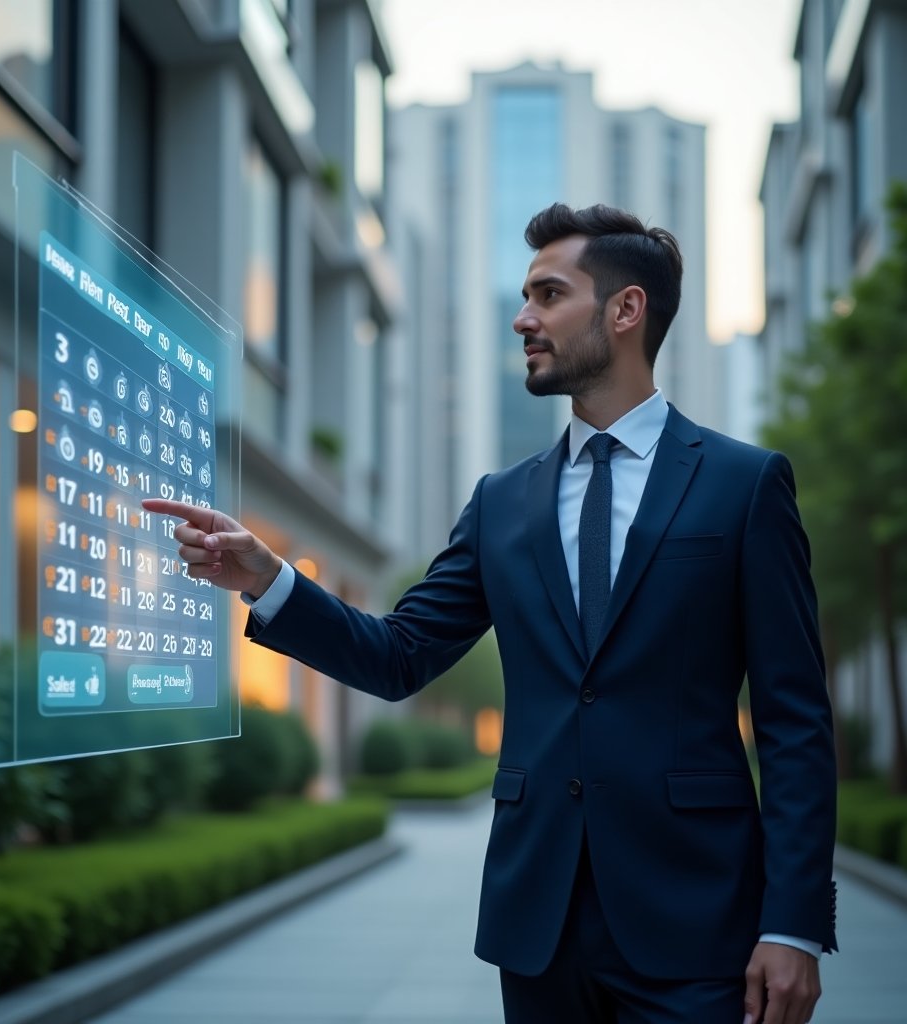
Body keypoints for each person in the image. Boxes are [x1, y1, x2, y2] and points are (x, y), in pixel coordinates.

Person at [143, 203, 837, 1024]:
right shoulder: (502, 502)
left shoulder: (743, 485)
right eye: (525, 296)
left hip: (698, 918)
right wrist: (269, 580)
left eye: (548, 294)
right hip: (537, 923)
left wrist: (793, 923)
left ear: (625, 310)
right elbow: (399, 655)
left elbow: (795, 720)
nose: (523, 318)